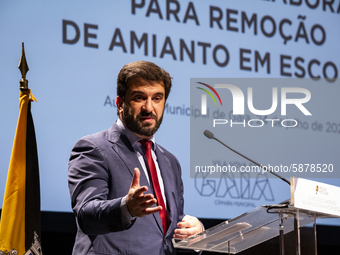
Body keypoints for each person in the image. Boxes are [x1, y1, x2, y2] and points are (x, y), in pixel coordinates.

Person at [68, 61, 203, 255]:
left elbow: (167, 233)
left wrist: (195, 232)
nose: (149, 108)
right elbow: (86, 215)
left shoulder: (170, 162)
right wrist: (126, 207)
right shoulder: (94, 148)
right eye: (139, 98)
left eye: (157, 98)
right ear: (119, 103)